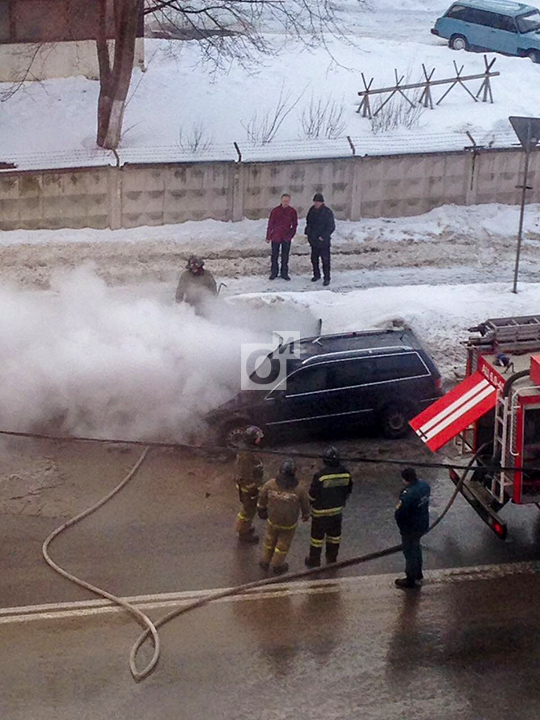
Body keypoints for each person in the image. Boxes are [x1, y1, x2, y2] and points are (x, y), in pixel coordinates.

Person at [257, 459, 310, 575]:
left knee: (269, 540)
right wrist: (306, 515)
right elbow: (305, 504)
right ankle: (277, 565)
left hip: (273, 520)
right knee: (283, 545)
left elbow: (262, 496)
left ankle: (265, 561)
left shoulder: (270, 484)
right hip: (288, 524)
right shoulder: (299, 489)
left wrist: (261, 508)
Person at [305, 446, 353, 568]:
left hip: (320, 514)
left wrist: (310, 504)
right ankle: (331, 559)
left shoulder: (320, 476)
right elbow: (348, 490)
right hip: (337, 512)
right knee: (334, 537)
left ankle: (314, 561)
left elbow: (312, 495)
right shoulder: (346, 474)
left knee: (316, 539)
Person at [394, 467, 431, 589]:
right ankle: (418, 574)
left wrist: (402, 528)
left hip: (411, 527)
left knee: (410, 552)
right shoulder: (424, 486)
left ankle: (410, 579)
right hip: (422, 524)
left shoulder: (408, 494)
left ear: (405, 479)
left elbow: (399, 514)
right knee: (416, 548)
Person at [234, 426, 265, 544]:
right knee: (248, 511)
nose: (259, 440)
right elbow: (246, 475)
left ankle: (244, 527)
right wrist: (253, 489)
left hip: (249, 487)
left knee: (248, 511)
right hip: (248, 489)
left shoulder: (249, 450)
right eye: (257, 438)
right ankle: (243, 533)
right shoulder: (246, 455)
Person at [304, 192, 335, 287]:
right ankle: (316, 275)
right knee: (314, 259)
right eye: (315, 202)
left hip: (323, 241)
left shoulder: (327, 212)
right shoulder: (312, 210)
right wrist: (308, 234)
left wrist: (323, 236)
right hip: (314, 240)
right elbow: (309, 223)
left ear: (322, 202)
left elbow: (331, 226)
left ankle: (327, 278)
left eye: (318, 202)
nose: (316, 204)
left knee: (325, 260)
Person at [266, 193, 298, 281]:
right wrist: (268, 236)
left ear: (289, 201)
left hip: (286, 236)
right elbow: (271, 224)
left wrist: (291, 234)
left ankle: (284, 273)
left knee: (285, 256)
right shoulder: (275, 211)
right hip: (276, 236)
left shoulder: (292, 211)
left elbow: (294, 224)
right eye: (284, 201)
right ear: (281, 201)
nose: (285, 203)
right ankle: (274, 272)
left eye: (287, 201)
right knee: (274, 255)